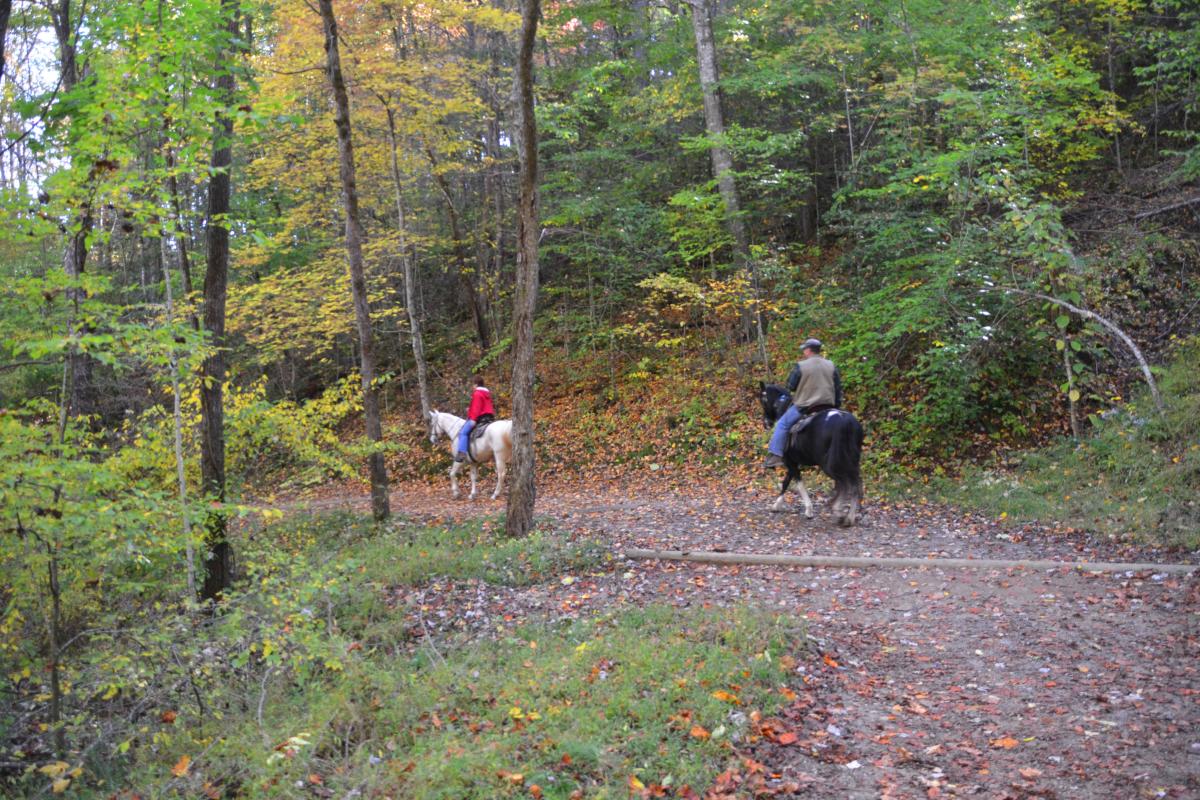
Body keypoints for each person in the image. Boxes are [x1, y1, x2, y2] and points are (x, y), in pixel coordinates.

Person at [764, 338, 843, 468]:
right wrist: (837, 405)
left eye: (804, 349)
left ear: (808, 350)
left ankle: (775, 456)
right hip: (829, 405)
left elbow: (790, 386)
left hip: (806, 406)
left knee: (782, 425)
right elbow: (838, 388)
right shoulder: (831, 365)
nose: (804, 352)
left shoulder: (801, 366)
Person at [455, 375, 495, 462]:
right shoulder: (486, 393)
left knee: (463, 432)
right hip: (489, 417)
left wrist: (473, 419)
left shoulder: (477, 393)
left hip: (479, 418)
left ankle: (462, 453)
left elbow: (477, 408)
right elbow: (483, 406)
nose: (473, 387)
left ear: (476, 384)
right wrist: (470, 409)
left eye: (473, 385)